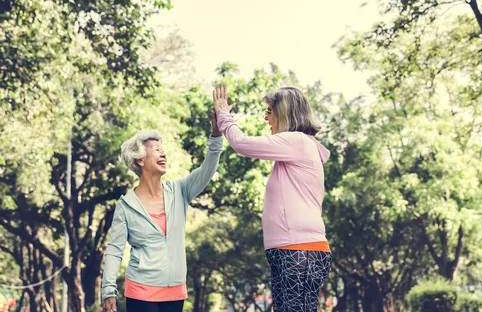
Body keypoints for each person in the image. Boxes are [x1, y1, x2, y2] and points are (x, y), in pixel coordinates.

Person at [213, 84, 332, 311]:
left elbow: (242, 143)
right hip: (291, 250)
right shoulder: (294, 150)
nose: (267, 118)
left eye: (269, 112)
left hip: (299, 250)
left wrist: (223, 115)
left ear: (284, 113)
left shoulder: (298, 141)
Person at [101, 111, 223, 312]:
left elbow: (207, 170)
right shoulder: (126, 206)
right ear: (140, 159)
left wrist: (217, 135)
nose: (163, 154)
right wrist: (108, 290)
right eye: (157, 150)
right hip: (141, 289)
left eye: (163, 150)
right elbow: (115, 250)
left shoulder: (180, 191)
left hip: (175, 290)